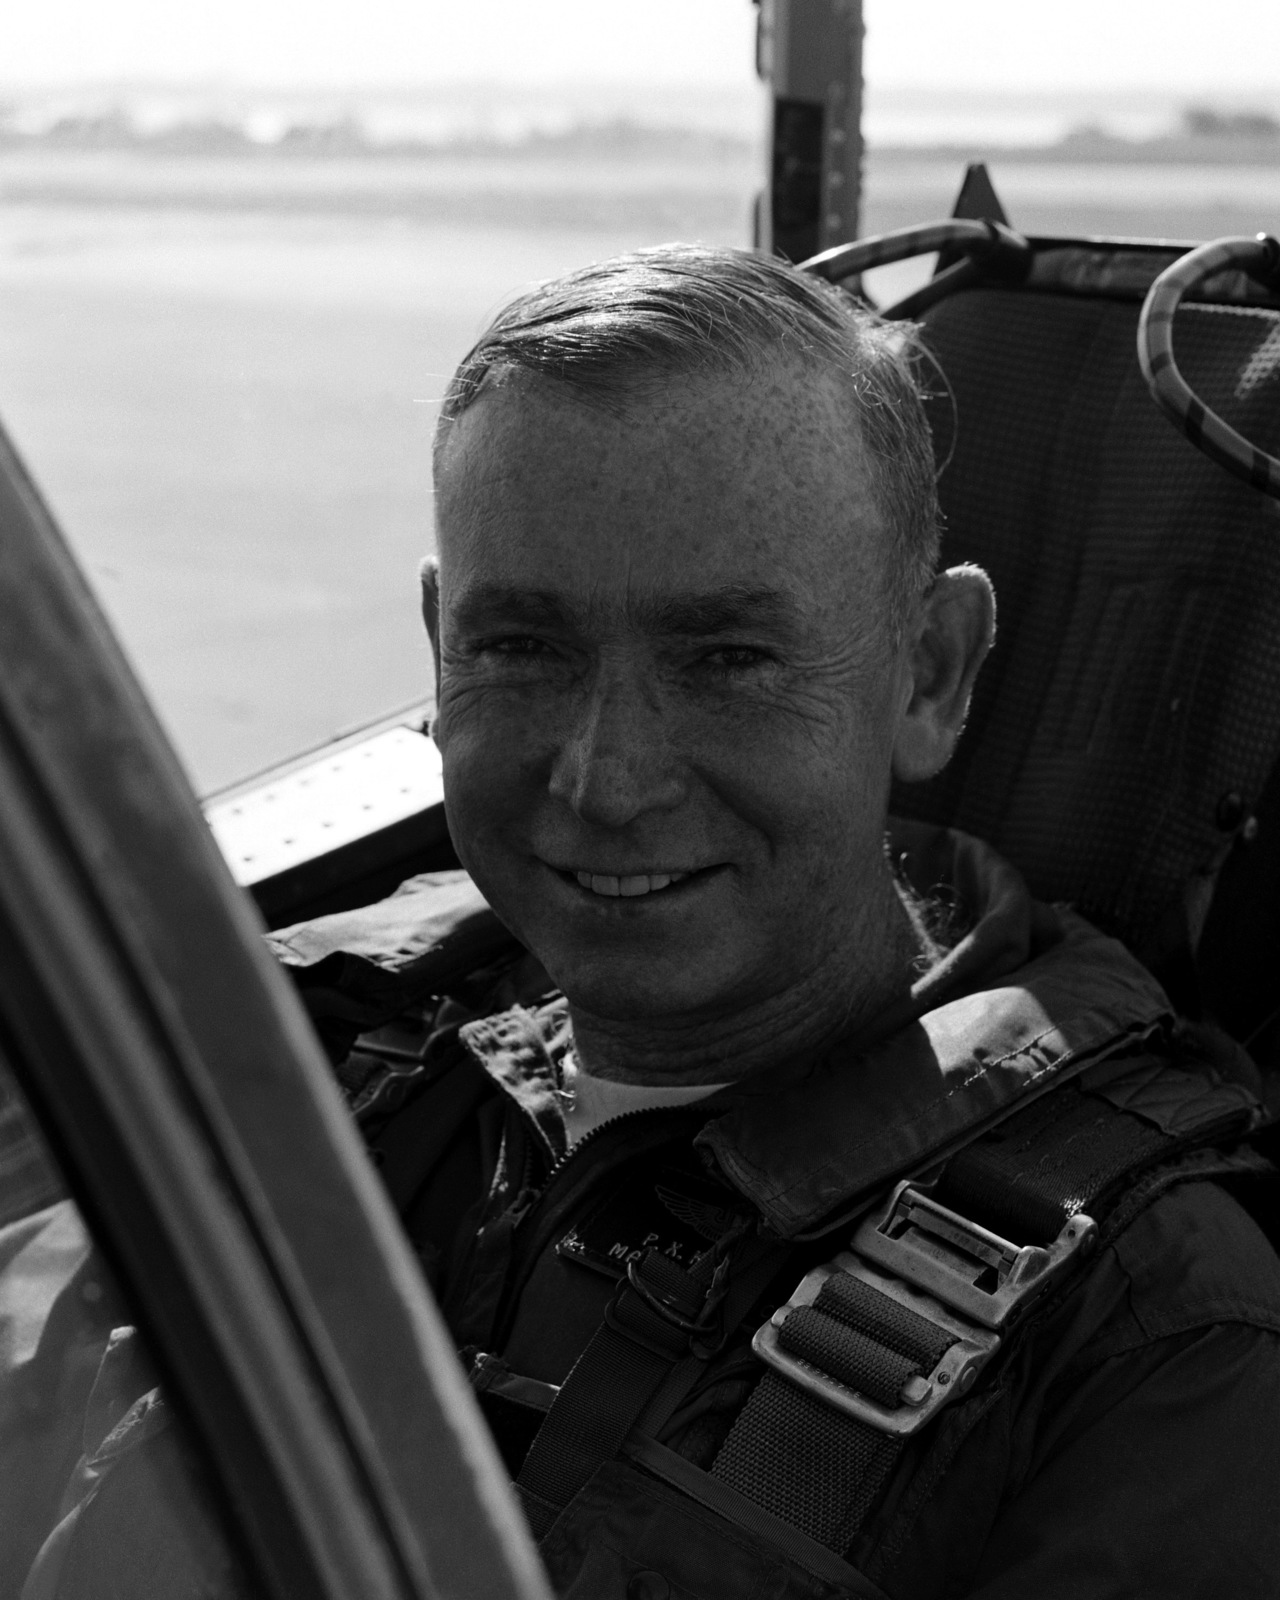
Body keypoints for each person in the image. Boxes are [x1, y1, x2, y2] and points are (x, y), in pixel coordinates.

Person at [278, 244, 1280, 1597]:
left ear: (930, 673)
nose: (606, 780)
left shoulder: (1149, 1339)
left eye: (728, 661)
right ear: (437, 644)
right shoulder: (308, 1045)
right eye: (522, 647)